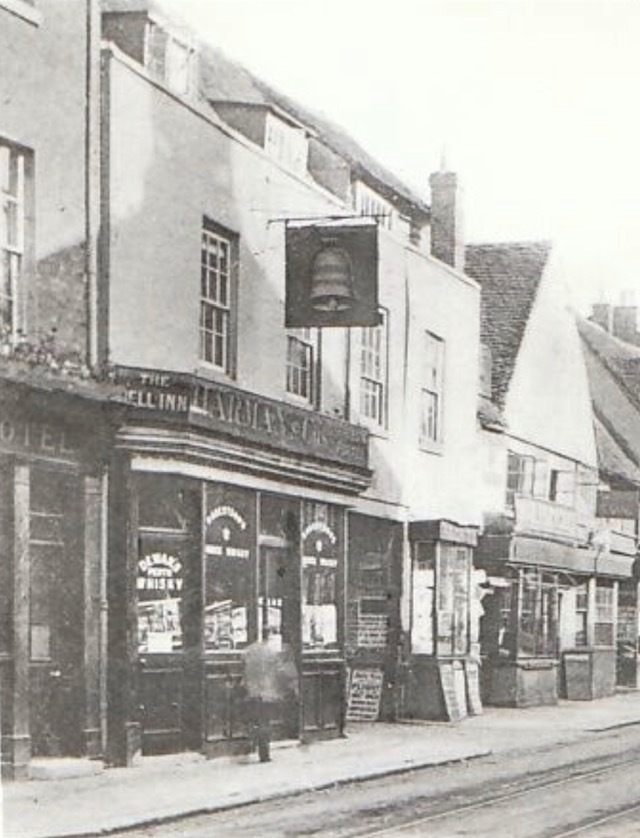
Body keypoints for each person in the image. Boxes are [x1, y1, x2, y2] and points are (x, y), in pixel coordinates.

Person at [243, 629, 298, 762]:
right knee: (265, 722)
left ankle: (251, 745)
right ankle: (264, 754)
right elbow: (284, 672)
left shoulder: (248, 650)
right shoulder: (273, 652)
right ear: (270, 636)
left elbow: (244, 667)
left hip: (251, 691)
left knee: (254, 720)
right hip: (268, 692)